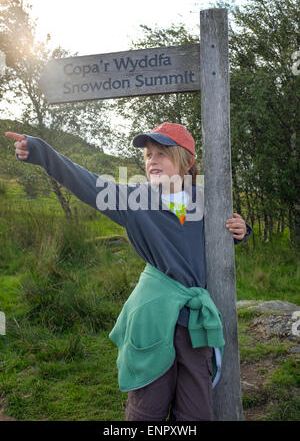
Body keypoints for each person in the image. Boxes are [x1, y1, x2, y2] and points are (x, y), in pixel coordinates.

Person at [5, 123, 251, 421]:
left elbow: (213, 242)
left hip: (195, 324)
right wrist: (42, 152)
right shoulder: (135, 201)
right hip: (152, 319)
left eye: (162, 153)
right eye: (148, 155)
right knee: (148, 409)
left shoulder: (209, 201)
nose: (152, 161)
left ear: (186, 162)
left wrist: (240, 231)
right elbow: (87, 182)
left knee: (196, 412)